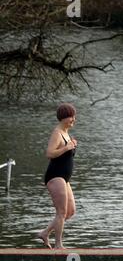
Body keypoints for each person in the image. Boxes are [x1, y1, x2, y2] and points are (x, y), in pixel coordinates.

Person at [38, 103, 78, 249]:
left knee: (70, 211)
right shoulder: (57, 133)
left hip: (64, 178)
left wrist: (71, 144)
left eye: (74, 116)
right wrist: (66, 147)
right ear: (62, 118)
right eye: (70, 117)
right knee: (61, 212)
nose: (73, 119)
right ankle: (58, 245)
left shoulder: (66, 133)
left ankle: (45, 232)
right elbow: (49, 153)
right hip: (55, 176)